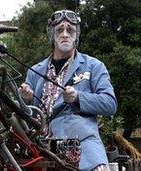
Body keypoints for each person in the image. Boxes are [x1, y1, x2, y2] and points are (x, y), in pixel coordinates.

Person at [19, 9, 117, 171]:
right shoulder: (34, 70)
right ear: (52, 35)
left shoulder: (94, 66)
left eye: (70, 30)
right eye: (59, 30)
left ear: (76, 35)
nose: (65, 34)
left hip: (81, 142)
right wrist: (25, 100)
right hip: (39, 146)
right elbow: (24, 114)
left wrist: (78, 97)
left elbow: (110, 104)